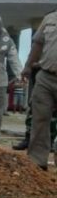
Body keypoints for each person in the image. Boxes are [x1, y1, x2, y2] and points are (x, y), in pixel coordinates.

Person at [23, 10, 57, 170]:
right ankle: (37, 162)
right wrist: (28, 66)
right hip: (46, 75)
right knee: (39, 118)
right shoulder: (49, 19)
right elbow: (37, 44)